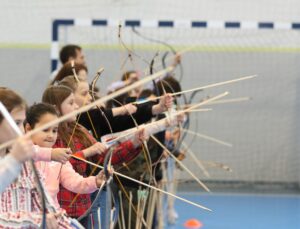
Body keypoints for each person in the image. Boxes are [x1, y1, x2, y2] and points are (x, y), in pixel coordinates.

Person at [42, 85, 144, 228]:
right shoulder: (48, 136)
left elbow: (106, 157)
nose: (76, 106)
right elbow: (55, 163)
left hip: (84, 207)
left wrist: (133, 143)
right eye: (70, 103)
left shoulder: (79, 130)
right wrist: (86, 152)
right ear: (56, 108)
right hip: (58, 211)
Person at [0, 87, 75, 228]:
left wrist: (64, 223)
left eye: (21, 124)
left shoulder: (25, 163)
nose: (21, 131)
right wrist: (36, 221)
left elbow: (49, 207)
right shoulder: (17, 159)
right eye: (16, 123)